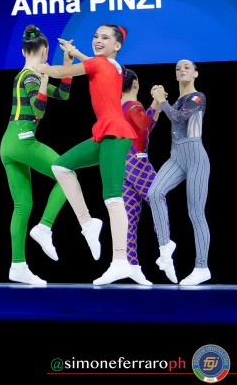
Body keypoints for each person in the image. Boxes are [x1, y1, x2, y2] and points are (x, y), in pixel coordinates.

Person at [38, 23, 147, 285]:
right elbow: (94, 63)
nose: (98, 40)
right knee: (61, 166)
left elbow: (62, 72)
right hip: (106, 133)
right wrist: (75, 52)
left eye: (105, 38)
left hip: (115, 134)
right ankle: (88, 224)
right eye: (96, 36)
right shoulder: (115, 66)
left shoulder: (99, 63)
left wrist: (38, 66)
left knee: (113, 197)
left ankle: (120, 261)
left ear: (117, 45)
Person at [0, 24, 74, 285]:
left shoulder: (23, 75)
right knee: (68, 175)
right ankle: (44, 227)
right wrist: (44, 77)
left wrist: (66, 65)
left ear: (23, 51)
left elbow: (62, 95)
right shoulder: (31, 78)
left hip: (8, 144)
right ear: (45, 51)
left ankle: (17, 265)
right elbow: (39, 109)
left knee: (23, 205)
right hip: (23, 141)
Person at [148, 60, 211, 286]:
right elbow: (172, 118)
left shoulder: (198, 97)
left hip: (195, 157)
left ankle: (202, 267)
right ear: (176, 76)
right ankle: (165, 246)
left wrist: (162, 100)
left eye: (186, 67)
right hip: (176, 156)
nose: (182, 70)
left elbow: (177, 118)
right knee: (154, 193)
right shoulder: (176, 101)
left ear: (195, 73)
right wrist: (159, 102)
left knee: (196, 213)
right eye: (178, 68)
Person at [120, 68, 160, 282]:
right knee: (158, 199)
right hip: (137, 161)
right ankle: (165, 249)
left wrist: (157, 105)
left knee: (130, 216)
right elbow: (144, 123)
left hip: (121, 164)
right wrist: (155, 102)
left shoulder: (118, 107)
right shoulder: (134, 105)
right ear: (135, 84)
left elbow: (144, 129)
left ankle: (132, 265)